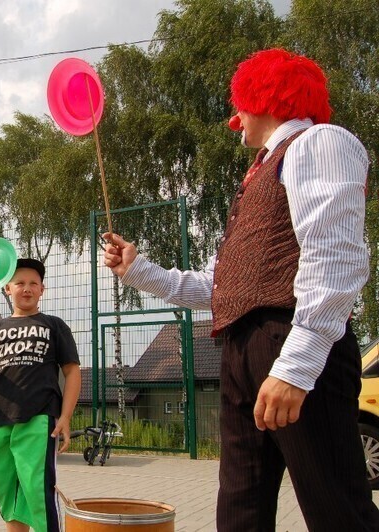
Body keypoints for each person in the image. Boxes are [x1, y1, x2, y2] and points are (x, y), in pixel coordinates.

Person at [103, 48, 379, 531]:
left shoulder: (320, 142)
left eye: (241, 105)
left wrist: (296, 367)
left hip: (290, 338)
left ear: (264, 97)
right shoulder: (259, 173)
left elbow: (336, 258)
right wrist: (138, 270)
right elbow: (224, 287)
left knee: (336, 509)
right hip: (240, 349)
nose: (236, 120)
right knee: (239, 510)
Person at [0, 258, 81, 532]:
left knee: (37, 491)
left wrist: (65, 416)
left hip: (38, 419)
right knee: (9, 495)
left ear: (42, 289)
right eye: (19, 283)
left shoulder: (53, 325)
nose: (26, 288)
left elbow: (72, 372)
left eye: (33, 283)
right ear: (7, 288)